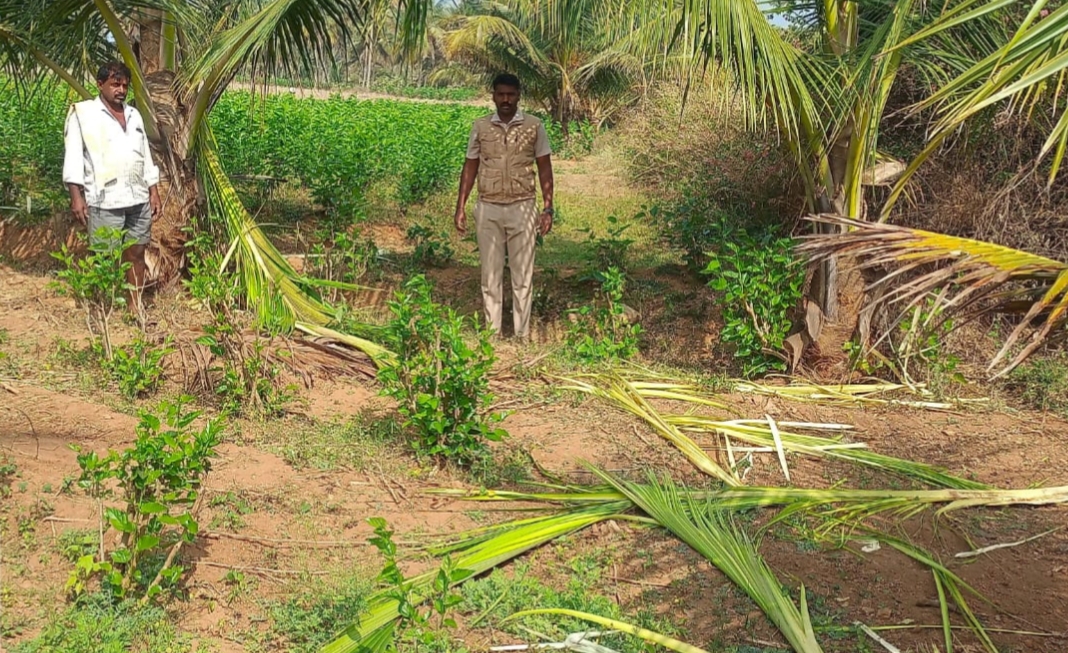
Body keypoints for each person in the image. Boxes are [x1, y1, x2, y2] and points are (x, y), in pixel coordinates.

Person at [455, 73, 554, 341]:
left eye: (511, 94)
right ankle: (492, 335)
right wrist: (461, 206)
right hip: (488, 207)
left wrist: (548, 208)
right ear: (493, 96)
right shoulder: (480, 127)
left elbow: (544, 167)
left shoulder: (534, 127)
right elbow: (470, 166)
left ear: (519, 95)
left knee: (522, 276)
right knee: (491, 276)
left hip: (522, 206)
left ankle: (521, 336)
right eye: (501, 94)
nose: (506, 100)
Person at [63, 60, 162, 309]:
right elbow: (73, 156)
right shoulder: (84, 114)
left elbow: (145, 155)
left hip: (138, 198)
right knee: (103, 256)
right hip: (105, 198)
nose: (120, 90)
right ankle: (101, 308)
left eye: (124, 85)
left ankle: (134, 306)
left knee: (136, 254)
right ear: (100, 84)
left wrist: (154, 190)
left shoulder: (134, 114)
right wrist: (77, 196)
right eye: (115, 84)